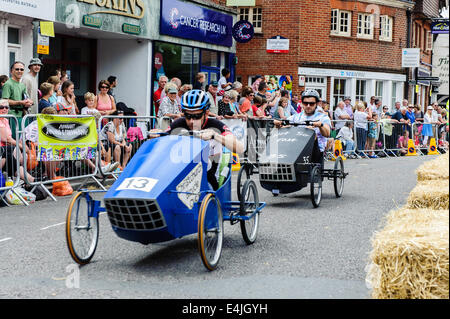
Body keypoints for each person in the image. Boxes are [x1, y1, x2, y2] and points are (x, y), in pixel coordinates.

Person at [166, 89, 244, 190]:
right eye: (187, 115)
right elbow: (162, 138)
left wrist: (215, 135)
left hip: (208, 178)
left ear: (206, 113)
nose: (191, 121)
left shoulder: (216, 125)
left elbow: (240, 148)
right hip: (182, 174)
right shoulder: (178, 123)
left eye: (197, 116)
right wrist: (156, 135)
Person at [274, 89, 331, 166]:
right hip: (295, 149)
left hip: (315, 152)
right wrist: (278, 125)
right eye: (305, 103)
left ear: (316, 104)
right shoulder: (295, 117)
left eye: (311, 104)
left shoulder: (323, 117)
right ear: (302, 103)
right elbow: (284, 129)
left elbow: (327, 133)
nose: (308, 106)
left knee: (311, 133)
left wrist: (320, 125)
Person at [0, 99, 35, 184]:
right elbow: (6, 139)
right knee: (14, 151)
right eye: (1, 107)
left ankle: (26, 180)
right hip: (2, 149)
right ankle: (28, 180)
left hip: (4, 148)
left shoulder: (6, 120)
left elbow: (8, 139)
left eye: (6, 107)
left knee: (19, 155)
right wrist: (21, 146)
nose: (4, 109)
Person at [2, 62, 33, 139]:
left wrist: (29, 102)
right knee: (14, 140)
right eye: (17, 69)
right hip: (12, 116)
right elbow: (4, 101)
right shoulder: (8, 84)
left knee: (22, 140)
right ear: (11, 71)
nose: (19, 71)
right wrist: (20, 102)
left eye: (22, 69)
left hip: (22, 116)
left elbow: (26, 98)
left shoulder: (22, 85)